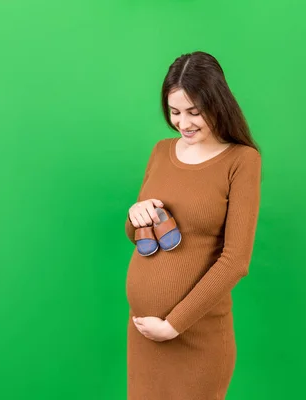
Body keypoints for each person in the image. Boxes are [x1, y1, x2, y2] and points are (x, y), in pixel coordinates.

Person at [124, 51, 262, 399]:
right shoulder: (159, 151)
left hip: (195, 337)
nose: (183, 123)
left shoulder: (241, 161)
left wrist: (172, 325)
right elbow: (139, 235)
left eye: (194, 112)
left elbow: (236, 260)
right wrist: (135, 215)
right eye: (174, 112)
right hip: (144, 336)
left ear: (217, 104)